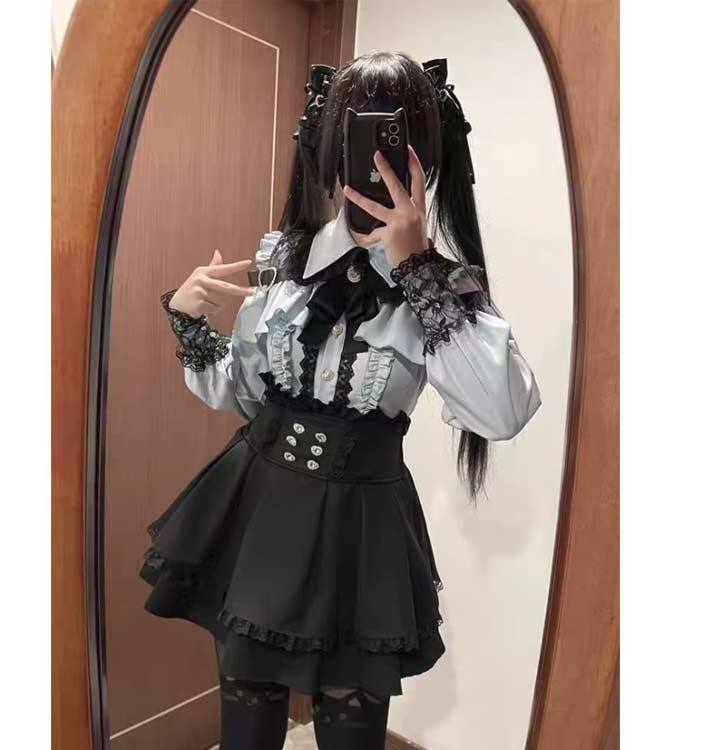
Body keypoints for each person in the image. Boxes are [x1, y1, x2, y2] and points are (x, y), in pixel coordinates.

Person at [139, 52, 541, 750]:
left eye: (396, 140)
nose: (373, 165)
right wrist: (190, 324)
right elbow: (244, 393)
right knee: (247, 721)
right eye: (357, 140)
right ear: (329, 151)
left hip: (361, 529)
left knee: (351, 729)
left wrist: (418, 268)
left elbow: (501, 413)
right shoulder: (284, 261)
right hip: (259, 512)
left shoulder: (444, 289)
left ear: (428, 156)